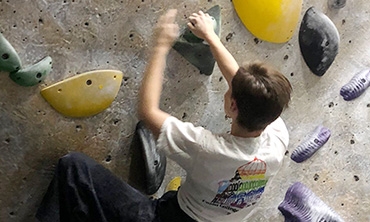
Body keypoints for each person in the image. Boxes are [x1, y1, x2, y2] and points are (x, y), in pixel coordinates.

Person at [36, 8, 292, 222]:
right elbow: (242, 84)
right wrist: (211, 37)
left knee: (74, 169)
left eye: (229, 93)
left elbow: (148, 111)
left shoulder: (209, 149)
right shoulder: (277, 138)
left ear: (233, 107)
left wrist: (160, 46)